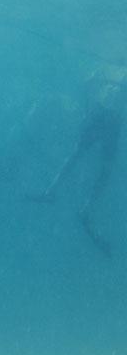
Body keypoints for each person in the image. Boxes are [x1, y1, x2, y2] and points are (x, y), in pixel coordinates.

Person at [31, 65, 125, 254]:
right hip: (105, 116)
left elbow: (89, 84)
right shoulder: (112, 68)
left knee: (95, 165)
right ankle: (60, 196)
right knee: (84, 158)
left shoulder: (112, 69)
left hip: (108, 118)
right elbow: (89, 82)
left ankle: (76, 204)